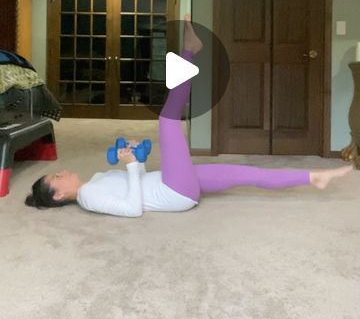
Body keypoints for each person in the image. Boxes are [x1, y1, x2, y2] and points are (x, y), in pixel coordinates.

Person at [25, 16, 352, 216]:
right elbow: (132, 209)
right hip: (174, 192)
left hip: (175, 183)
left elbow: (135, 181)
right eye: (56, 178)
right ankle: (189, 51)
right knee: (168, 121)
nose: (62, 172)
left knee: (244, 173)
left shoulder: (94, 182)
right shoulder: (88, 197)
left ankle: (312, 178)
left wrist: (138, 155)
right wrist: (133, 165)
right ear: (58, 195)